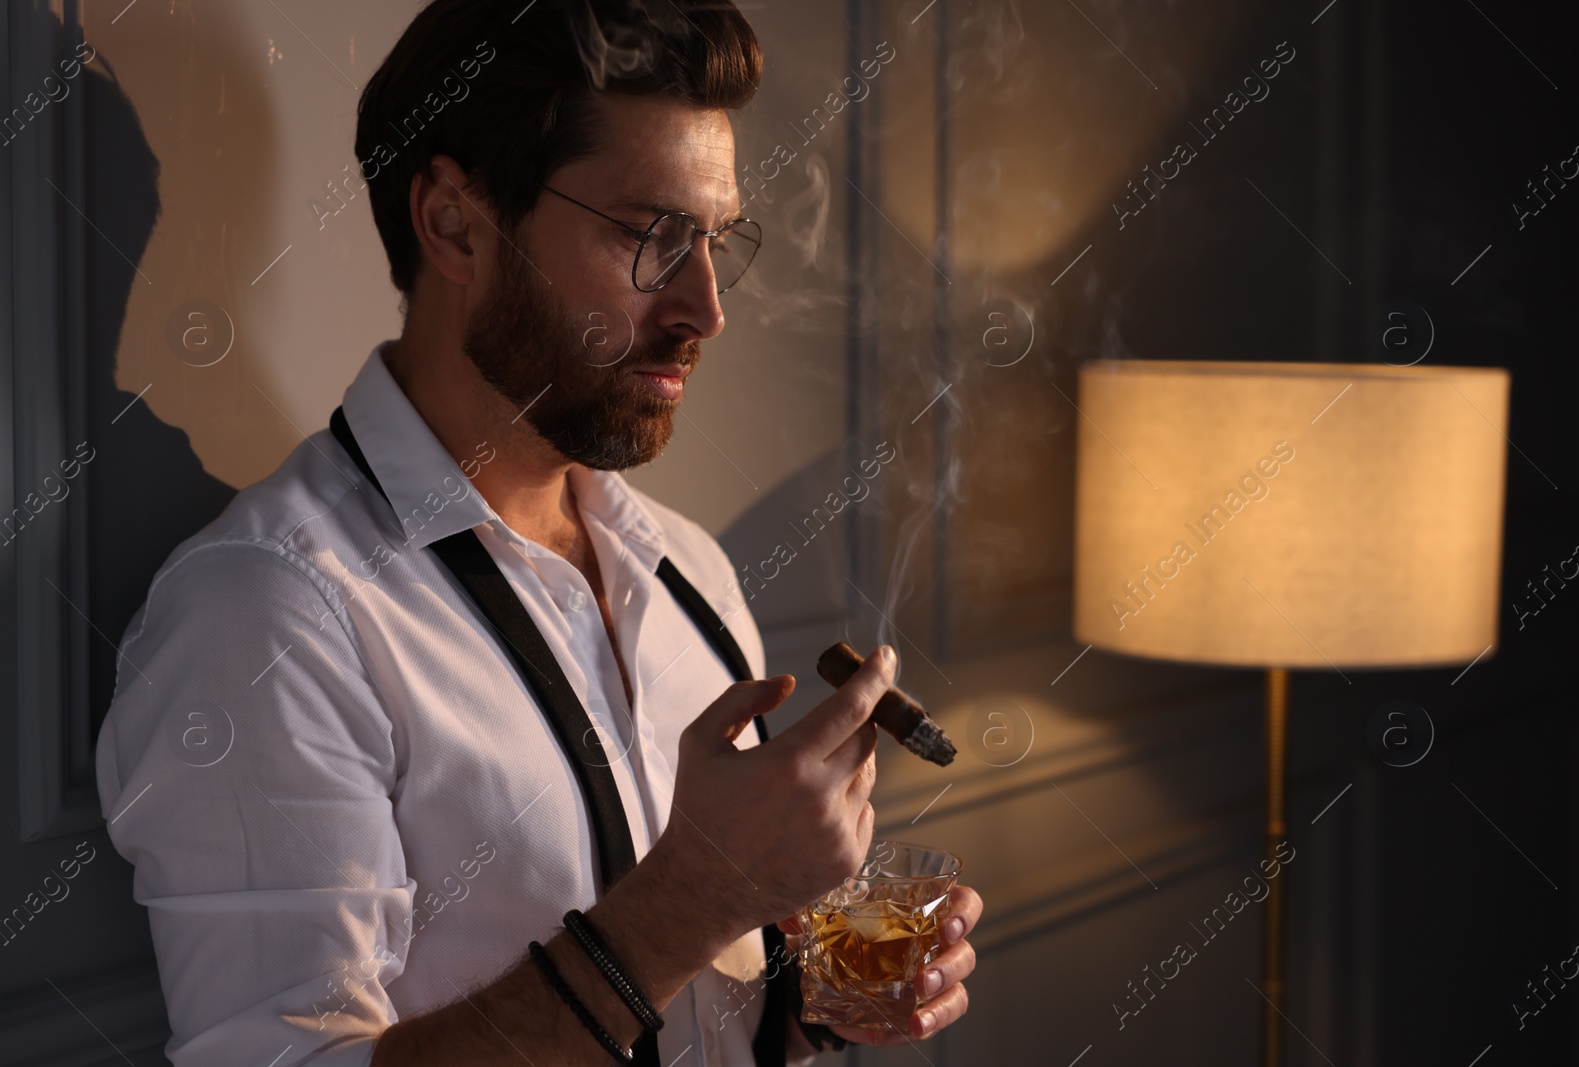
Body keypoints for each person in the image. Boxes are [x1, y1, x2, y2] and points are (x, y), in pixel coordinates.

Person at [94, 2, 981, 1064]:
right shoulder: (269, 613)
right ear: (455, 223)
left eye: (714, 239)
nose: (704, 306)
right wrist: (694, 895)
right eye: (649, 235)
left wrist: (814, 1003)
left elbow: (700, 1009)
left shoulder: (683, 567)